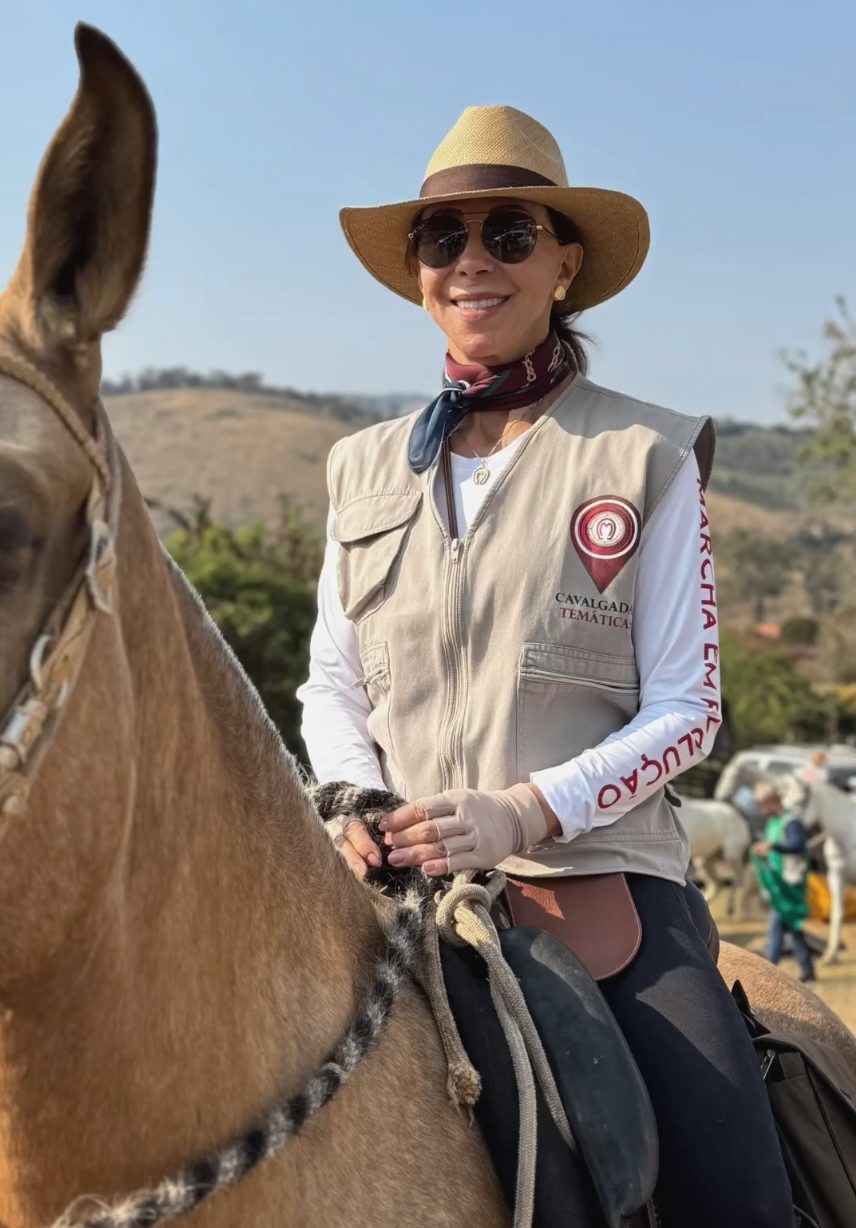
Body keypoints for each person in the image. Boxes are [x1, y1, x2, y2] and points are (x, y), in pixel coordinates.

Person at [297, 106, 795, 1226]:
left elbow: (688, 710)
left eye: (508, 233)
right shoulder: (358, 467)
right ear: (421, 272)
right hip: (392, 884)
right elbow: (331, 678)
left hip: (601, 890)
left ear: (564, 263)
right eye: (442, 237)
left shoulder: (648, 453)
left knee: (737, 1198)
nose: (471, 260)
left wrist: (523, 812)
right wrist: (354, 795)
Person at [752, 779, 816, 984]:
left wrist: (773, 846)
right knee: (794, 928)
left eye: (764, 805)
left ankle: (769, 972)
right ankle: (808, 969)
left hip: (790, 884)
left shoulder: (791, 822)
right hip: (778, 883)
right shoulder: (772, 823)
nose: (762, 810)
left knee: (777, 927)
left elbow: (798, 846)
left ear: (773, 801)